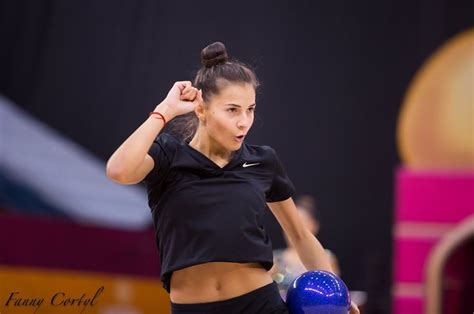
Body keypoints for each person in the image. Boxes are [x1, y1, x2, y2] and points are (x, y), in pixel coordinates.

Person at [106, 42, 359, 314]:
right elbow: (119, 170)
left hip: (260, 304)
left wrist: (339, 295)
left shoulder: (263, 161)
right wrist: (165, 110)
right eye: (232, 110)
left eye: (250, 109)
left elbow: (299, 235)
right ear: (201, 109)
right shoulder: (169, 156)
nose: (244, 121)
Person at [270, 195, 341, 300]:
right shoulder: (275, 258)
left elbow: (334, 292)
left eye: (301, 223)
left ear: (314, 225)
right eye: (289, 224)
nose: (292, 229)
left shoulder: (326, 257)